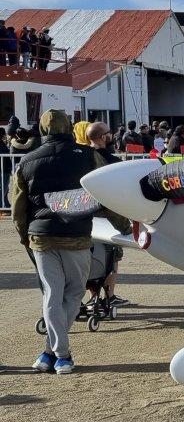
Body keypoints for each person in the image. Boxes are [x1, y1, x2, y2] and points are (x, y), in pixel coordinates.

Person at [10, 110, 131, 374]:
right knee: (74, 294)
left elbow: (18, 206)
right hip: (76, 235)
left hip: (40, 235)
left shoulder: (27, 160)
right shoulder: (88, 156)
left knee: (52, 295)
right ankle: (62, 355)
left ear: (42, 130)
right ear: (69, 128)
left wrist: (25, 237)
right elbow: (105, 195)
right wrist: (125, 226)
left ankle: (48, 353)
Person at [85, 122, 129, 307]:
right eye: (109, 133)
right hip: (108, 216)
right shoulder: (112, 163)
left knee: (91, 257)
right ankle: (109, 296)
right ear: (103, 137)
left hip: (85, 216)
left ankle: (93, 297)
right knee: (112, 256)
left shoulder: (81, 158)